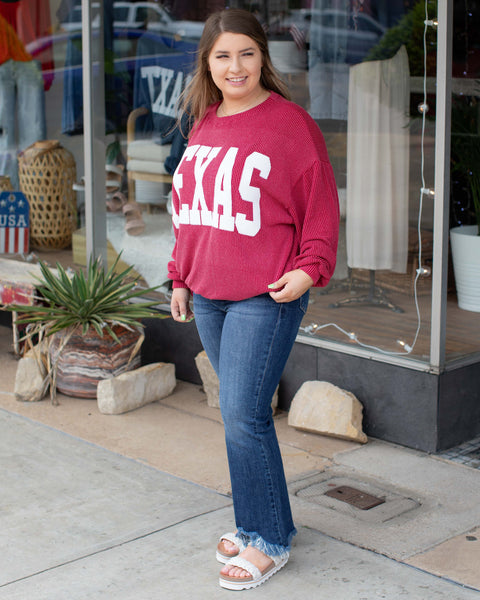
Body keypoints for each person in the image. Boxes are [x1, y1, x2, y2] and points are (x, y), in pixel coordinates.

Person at [168, 8, 339, 591]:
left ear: (262, 57)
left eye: (245, 53)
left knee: (244, 414)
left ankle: (267, 541)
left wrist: (309, 271)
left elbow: (319, 207)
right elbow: (193, 213)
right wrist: (180, 278)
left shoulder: (291, 125)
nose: (235, 66)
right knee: (238, 416)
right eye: (222, 56)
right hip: (209, 292)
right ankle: (262, 523)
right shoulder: (206, 126)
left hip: (267, 292)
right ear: (207, 64)